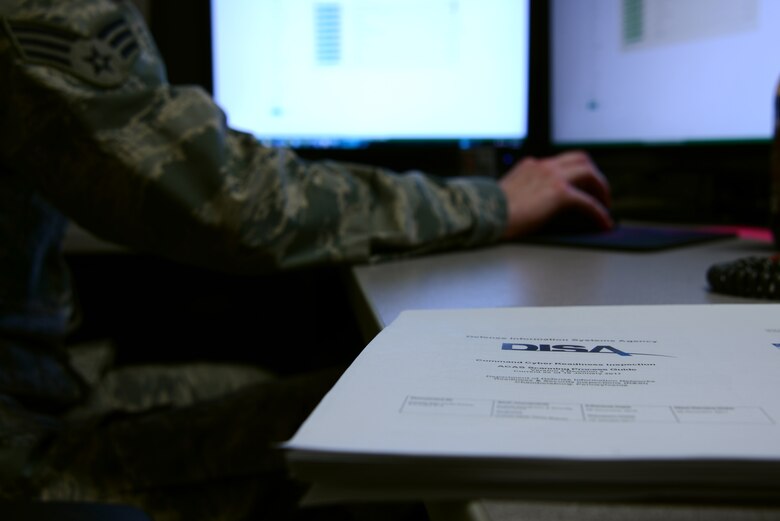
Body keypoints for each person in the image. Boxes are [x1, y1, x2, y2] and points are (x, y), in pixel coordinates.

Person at [0, 0, 613, 519]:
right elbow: (231, 197)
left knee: (287, 388)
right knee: (377, 419)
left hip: (49, 387)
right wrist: (493, 203)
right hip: (21, 454)